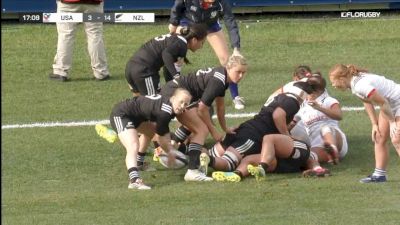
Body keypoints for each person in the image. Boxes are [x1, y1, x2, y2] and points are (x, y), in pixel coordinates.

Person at [160, 54, 248, 181]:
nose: (240, 76)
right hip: (175, 95)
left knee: (194, 121)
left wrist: (225, 128)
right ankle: (192, 171)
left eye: (243, 73)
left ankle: (171, 147)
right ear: (229, 68)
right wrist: (214, 132)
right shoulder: (219, 81)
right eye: (238, 72)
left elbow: (221, 106)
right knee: (202, 129)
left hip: (175, 91)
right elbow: (202, 109)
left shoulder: (223, 77)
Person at [205, 79, 319, 176]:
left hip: (246, 127)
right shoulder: (293, 102)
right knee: (228, 163)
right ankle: (210, 161)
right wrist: (286, 135)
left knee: (212, 153)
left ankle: (195, 154)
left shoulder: (278, 98)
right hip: (254, 135)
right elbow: (278, 115)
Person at [106, 88, 192, 189]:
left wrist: (169, 146)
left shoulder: (170, 106)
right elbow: (160, 138)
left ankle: (139, 163)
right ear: (173, 98)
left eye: (186, 104)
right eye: (181, 102)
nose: (182, 106)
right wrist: (170, 152)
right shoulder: (164, 113)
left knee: (151, 131)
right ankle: (134, 181)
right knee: (133, 145)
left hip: (136, 117)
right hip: (122, 114)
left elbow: (162, 133)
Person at [329, 64, 400, 183]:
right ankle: (379, 175)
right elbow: (367, 101)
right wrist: (374, 124)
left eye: (333, 82)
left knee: (397, 138)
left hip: (396, 102)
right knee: (379, 136)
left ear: (341, 79)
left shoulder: (360, 85)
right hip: (389, 104)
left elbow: (382, 103)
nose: (333, 85)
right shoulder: (354, 84)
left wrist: (392, 122)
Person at [169, 0, 246, 110]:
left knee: (226, 60)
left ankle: (236, 96)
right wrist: (173, 23)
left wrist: (236, 48)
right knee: (176, 56)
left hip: (210, 25)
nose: (211, 3)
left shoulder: (221, 2)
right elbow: (177, 7)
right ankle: (172, 94)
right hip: (188, 22)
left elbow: (230, 22)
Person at [125, 23, 208, 96]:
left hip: (131, 67)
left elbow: (168, 68)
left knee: (138, 104)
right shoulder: (181, 45)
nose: (201, 46)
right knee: (153, 105)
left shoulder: (175, 38)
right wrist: (176, 77)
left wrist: (173, 85)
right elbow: (166, 54)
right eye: (202, 43)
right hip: (144, 71)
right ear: (194, 40)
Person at [212, 134, 330, 182]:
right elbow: (311, 158)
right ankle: (237, 174)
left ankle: (261, 168)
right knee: (248, 159)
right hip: (284, 165)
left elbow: (310, 156)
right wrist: (317, 168)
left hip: (295, 151)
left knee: (269, 138)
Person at [49, 0, 110, 82]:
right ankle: (101, 72)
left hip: (67, 3)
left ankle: (60, 72)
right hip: (93, 3)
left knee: (65, 35)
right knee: (95, 35)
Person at [293, 73, 348, 165]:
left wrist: (319, 108)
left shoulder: (328, 101)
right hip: (317, 145)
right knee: (307, 157)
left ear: (316, 92)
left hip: (336, 140)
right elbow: (292, 123)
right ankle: (324, 160)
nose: (304, 92)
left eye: (307, 90)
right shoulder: (303, 107)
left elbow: (339, 115)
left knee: (326, 128)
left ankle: (333, 149)